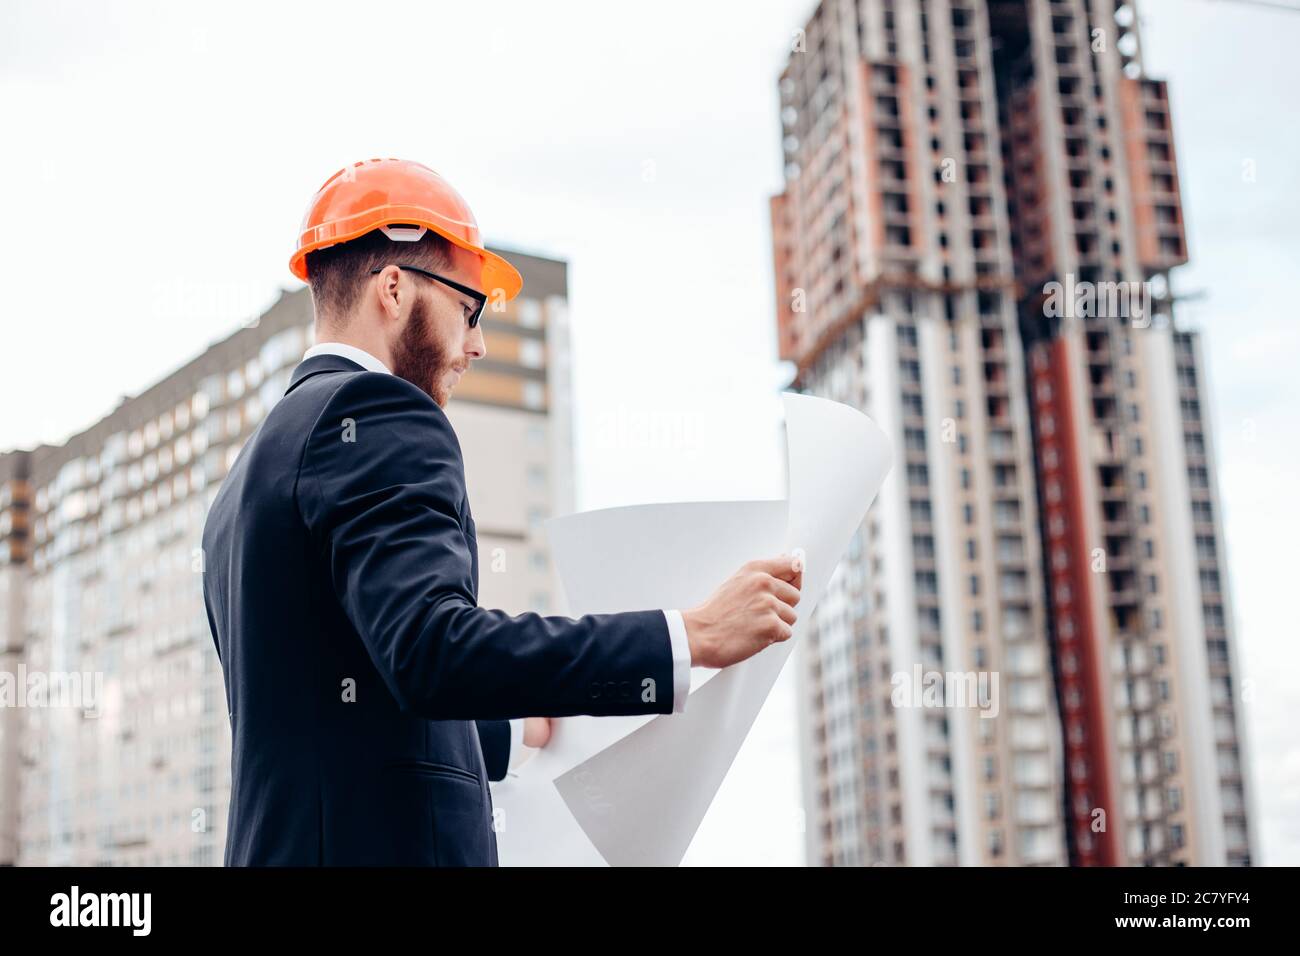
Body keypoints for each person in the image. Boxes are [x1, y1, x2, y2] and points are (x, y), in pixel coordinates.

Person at [200, 158, 802, 865]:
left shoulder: (246, 478)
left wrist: (512, 735)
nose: (476, 343)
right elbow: (432, 649)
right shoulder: (383, 413)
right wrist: (689, 635)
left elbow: (346, 703)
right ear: (394, 288)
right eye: (468, 308)